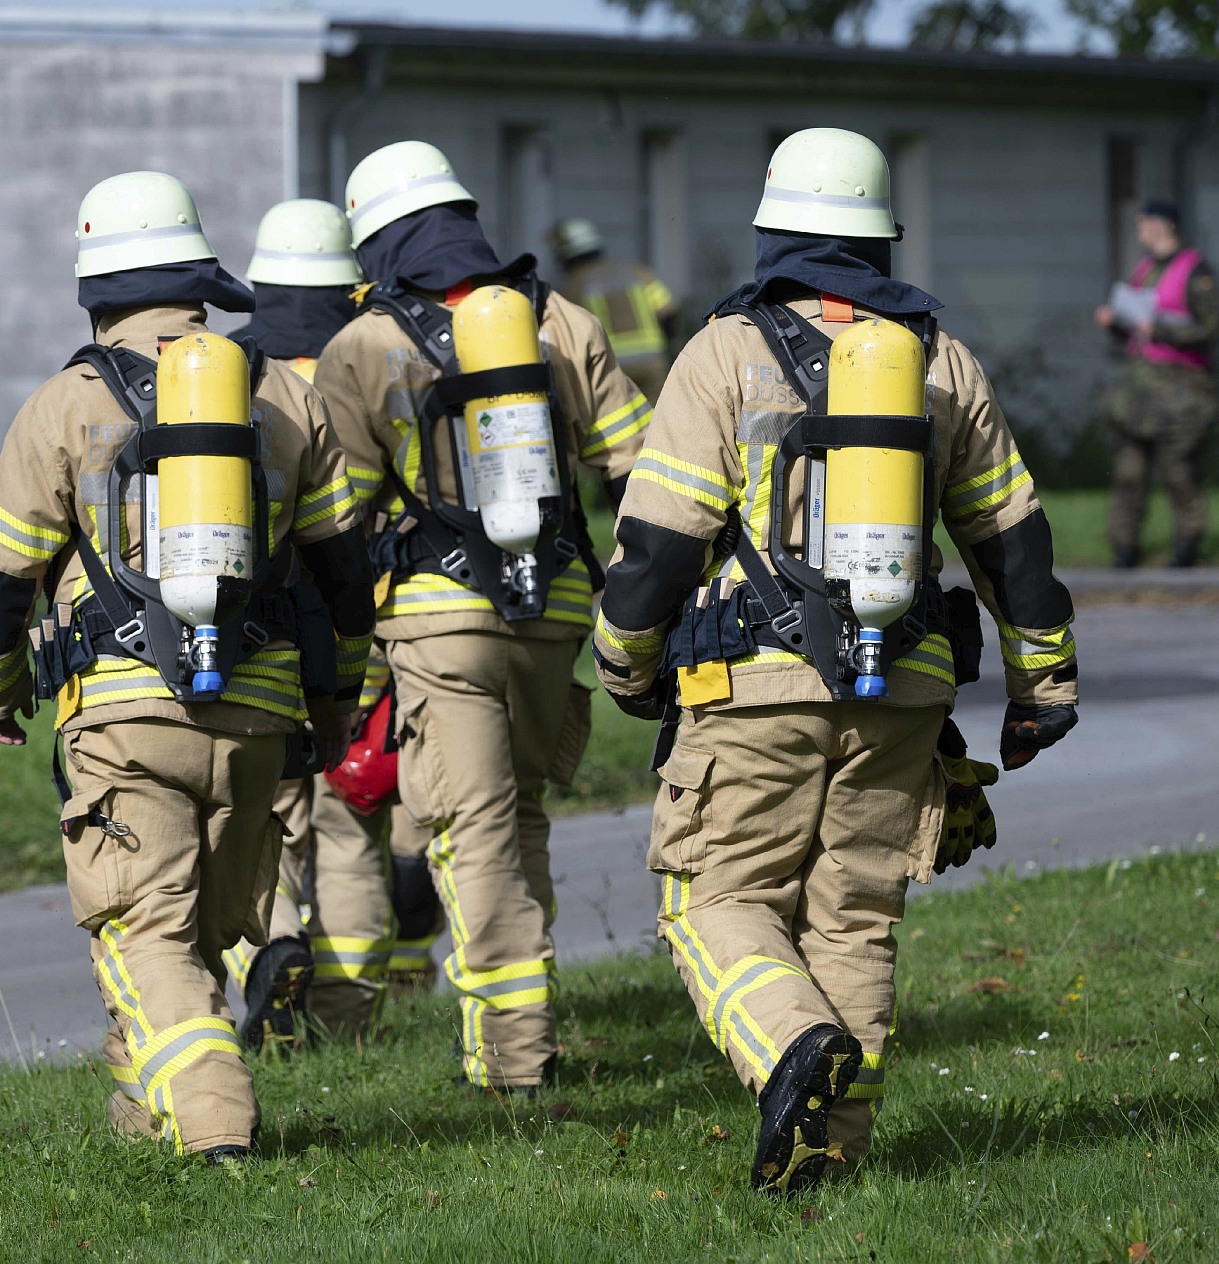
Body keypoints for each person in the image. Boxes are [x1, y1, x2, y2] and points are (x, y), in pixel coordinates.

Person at [592, 128, 1078, 1193]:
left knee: (711, 901)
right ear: (879, 240)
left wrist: (625, 663)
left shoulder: (723, 353)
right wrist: (1044, 684)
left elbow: (658, 544)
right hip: (903, 692)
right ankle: (828, 1161)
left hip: (753, 691)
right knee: (853, 916)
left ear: (773, 231)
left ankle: (783, 1049)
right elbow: (1014, 545)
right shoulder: (939, 360)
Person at [0, 171, 373, 1162]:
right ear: (199, 282)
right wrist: (330, 707)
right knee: (193, 940)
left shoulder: (61, 406)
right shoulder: (283, 394)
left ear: (97, 291)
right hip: (261, 720)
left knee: (145, 933)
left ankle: (217, 1128)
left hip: (125, 715)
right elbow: (346, 580)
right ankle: (142, 1126)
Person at [313, 140, 651, 1093]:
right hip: (557, 613)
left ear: (378, 245)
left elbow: (336, 519)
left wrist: (342, 659)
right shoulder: (563, 323)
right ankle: (526, 1030)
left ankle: (512, 1063)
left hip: (439, 618)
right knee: (520, 817)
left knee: (473, 829)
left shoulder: (363, 345)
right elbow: (637, 472)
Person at [222, 198, 398, 1045]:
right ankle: (346, 1018)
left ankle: (276, 944)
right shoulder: (363, 357)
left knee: (258, 818)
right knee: (349, 821)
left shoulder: (232, 372)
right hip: (351, 630)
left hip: (252, 638)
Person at [1094, 198, 1219, 568]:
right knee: (1128, 471)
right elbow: (1137, 331)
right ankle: (1124, 548)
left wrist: (1162, 330)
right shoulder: (1145, 269)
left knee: (1179, 469)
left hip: (1182, 390)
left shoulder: (1195, 271)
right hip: (1139, 391)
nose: (1139, 232)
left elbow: (1210, 328)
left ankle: (1187, 545)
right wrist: (1115, 323)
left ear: (1163, 225)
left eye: (1143, 224)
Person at [551, 216, 682, 402]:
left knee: (623, 427)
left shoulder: (573, 286)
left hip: (610, 369)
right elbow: (668, 312)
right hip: (652, 364)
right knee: (658, 423)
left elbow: (568, 336)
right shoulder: (636, 272)